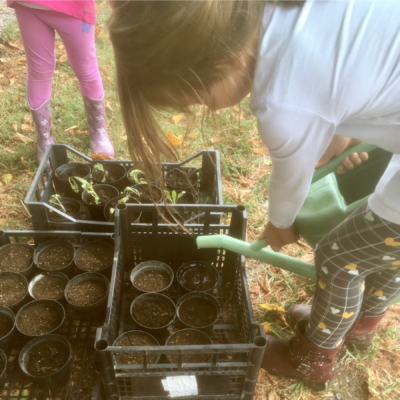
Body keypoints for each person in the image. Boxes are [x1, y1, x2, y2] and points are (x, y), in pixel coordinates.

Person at [108, 1, 400, 387]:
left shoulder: (281, 99)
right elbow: (365, 73)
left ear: (219, 63)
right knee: (388, 249)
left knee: (338, 255)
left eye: (196, 99)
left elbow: (290, 177)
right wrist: (346, 136)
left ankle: (313, 357)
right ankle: (361, 323)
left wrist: (280, 223)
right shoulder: (285, 16)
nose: (202, 108)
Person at [7, 0, 114, 162]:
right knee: (39, 71)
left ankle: (98, 130)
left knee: (86, 68)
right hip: (29, 5)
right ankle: (44, 139)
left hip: (75, 6)